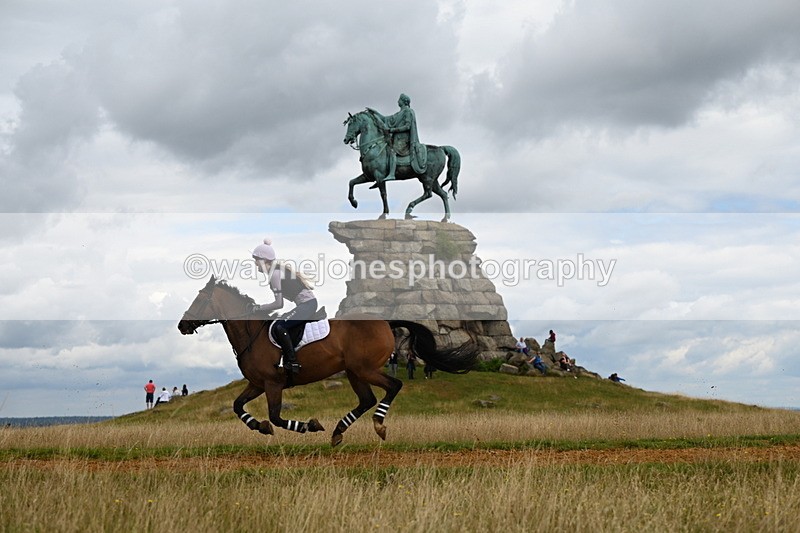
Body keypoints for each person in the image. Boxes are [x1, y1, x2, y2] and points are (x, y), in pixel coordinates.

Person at [251, 238, 318, 374]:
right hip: (306, 304)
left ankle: (292, 362)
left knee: (280, 327)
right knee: (279, 323)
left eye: (256, 260)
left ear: (264, 260)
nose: (255, 264)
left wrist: (258, 308)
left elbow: (278, 304)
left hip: (307, 305)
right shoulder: (276, 271)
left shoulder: (275, 274)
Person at [366, 93, 427, 187]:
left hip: (404, 140)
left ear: (403, 101)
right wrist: (375, 113)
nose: (398, 101)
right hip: (396, 138)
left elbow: (408, 126)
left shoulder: (408, 112)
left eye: (399, 100)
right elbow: (386, 119)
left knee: (392, 151)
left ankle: (391, 174)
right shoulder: (398, 114)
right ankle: (380, 176)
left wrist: (393, 130)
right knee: (384, 150)